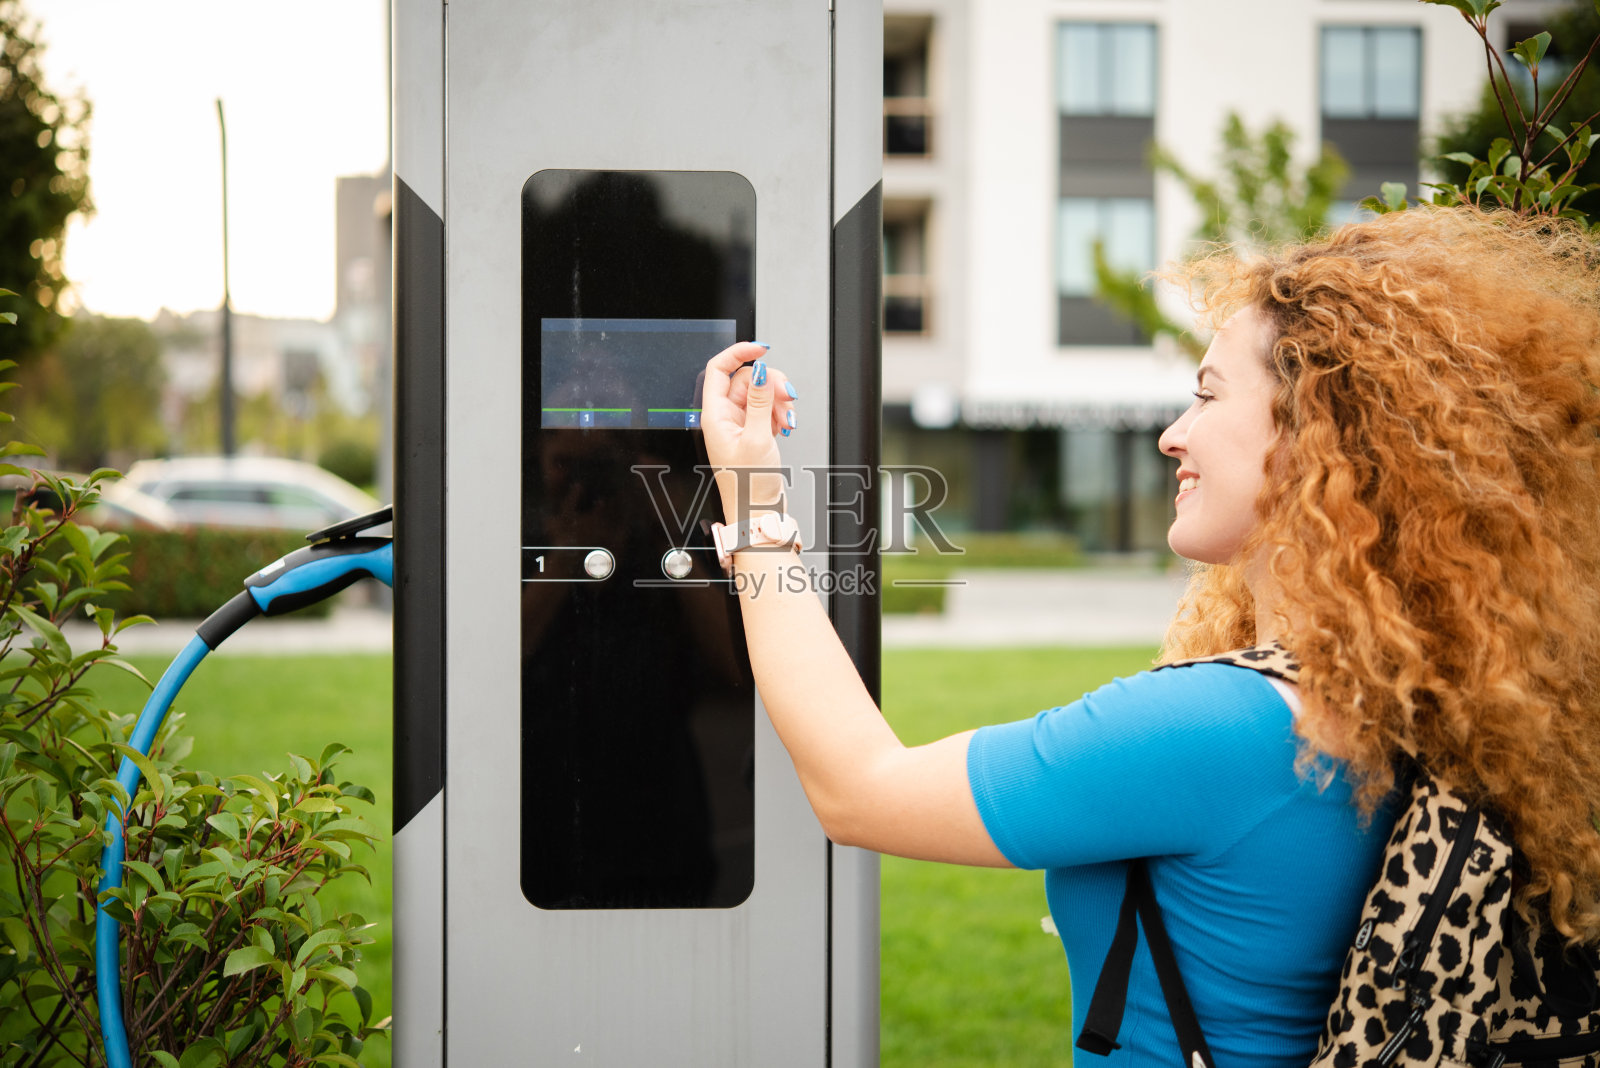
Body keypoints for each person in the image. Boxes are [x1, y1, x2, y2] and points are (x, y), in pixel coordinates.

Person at [697, 206, 1600, 1067]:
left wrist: (754, 501)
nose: (1173, 436)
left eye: (1207, 396)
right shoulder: (1445, 704)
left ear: (1316, 433)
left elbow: (860, 790)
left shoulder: (1222, 729)